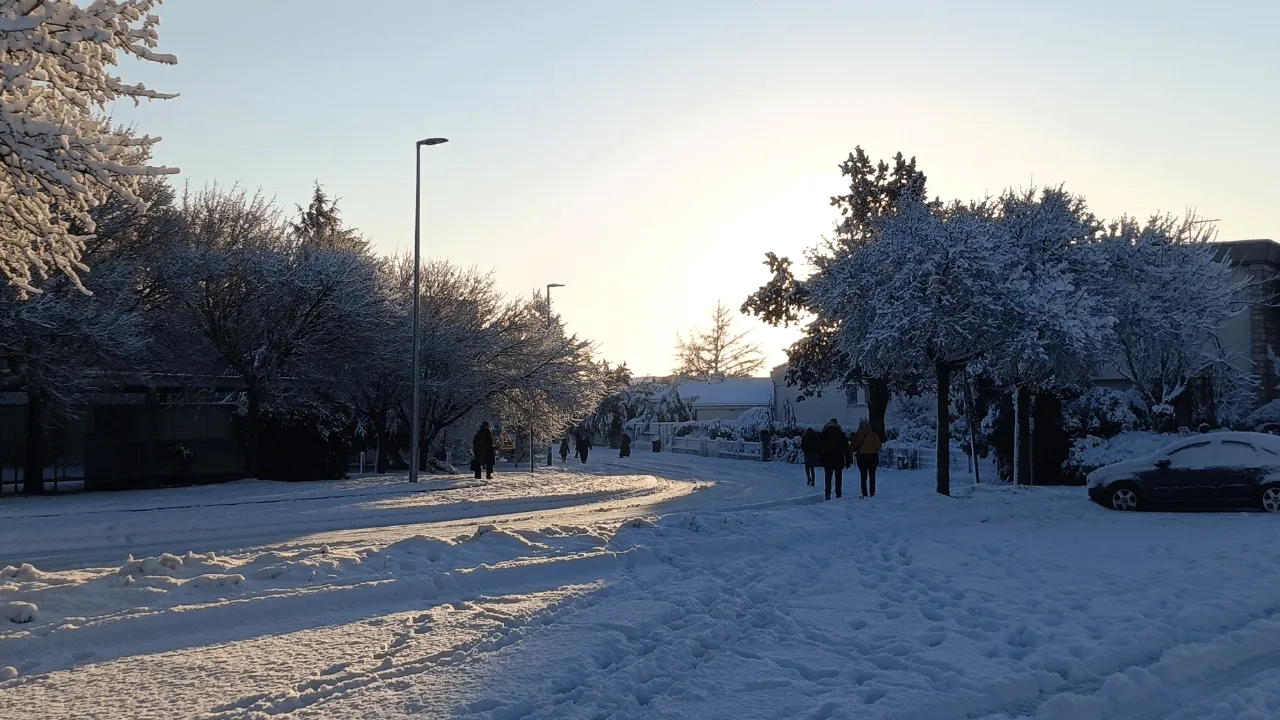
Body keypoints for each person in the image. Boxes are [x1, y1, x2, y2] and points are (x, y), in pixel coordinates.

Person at [818, 418, 852, 501]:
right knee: (838, 478)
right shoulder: (841, 434)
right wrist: (848, 461)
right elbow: (846, 449)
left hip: (827, 460)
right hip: (838, 459)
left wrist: (821, 460)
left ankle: (827, 495)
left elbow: (819, 448)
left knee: (828, 478)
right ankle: (838, 494)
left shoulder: (824, 434)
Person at [850, 418, 883, 498]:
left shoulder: (856, 435)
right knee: (872, 476)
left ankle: (864, 493)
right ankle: (872, 492)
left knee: (863, 476)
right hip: (872, 457)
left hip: (861, 458)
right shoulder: (873, 435)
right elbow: (879, 447)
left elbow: (852, 447)